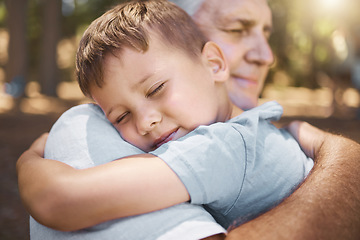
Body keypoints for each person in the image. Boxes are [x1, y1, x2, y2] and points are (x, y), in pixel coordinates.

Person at [17, 0, 360, 240]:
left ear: (213, 64)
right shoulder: (254, 132)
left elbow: (59, 200)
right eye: (121, 116)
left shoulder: (221, 147)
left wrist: (29, 160)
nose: (146, 121)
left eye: (156, 89)